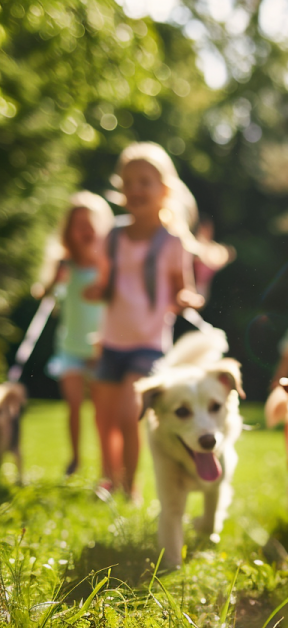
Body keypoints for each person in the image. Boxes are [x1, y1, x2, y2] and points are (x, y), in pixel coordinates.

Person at [85, 142, 210, 501]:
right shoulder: (113, 236)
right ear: (120, 190)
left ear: (164, 190)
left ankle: (129, 485)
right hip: (111, 340)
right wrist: (96, 290)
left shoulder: (171, 242)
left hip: (148, 343)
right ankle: (107, 478)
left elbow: (180, 289)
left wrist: (187, 299)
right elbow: (107, 282)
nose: (136, 189)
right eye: (129, 182)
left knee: (129, 413)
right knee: (104, 418)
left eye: (145, 182)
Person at [36, 192, 113, 476]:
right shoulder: (64, 266)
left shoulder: (106, 266)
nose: (84, 230)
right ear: (68, 230)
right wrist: (50, 285)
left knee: (102, 412)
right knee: (74, 407)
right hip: (69, 347)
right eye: (78, 224)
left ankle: (106, 465)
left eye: (90, 223)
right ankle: (75, 458)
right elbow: (46, 294)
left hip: (100, 348)